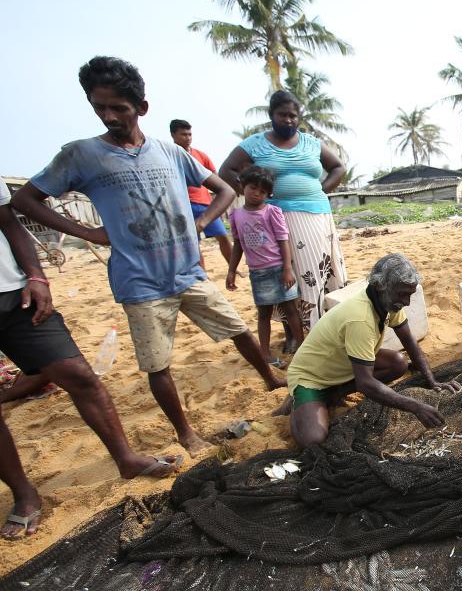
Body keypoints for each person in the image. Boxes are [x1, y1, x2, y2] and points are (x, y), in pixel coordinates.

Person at [11, 56, 285, 456]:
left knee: (238, 329)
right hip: (139, 282)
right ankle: (185, 432)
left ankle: (270, 379)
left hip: (187, 272)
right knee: (158, 364)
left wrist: (201, 221)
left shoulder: (169, 153)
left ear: (141, 107)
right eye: (99, 108)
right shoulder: (81, 155)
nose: (109, 116)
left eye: (118, 108)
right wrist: (87, 231)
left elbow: (225, 190)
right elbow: (25, 199)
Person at [0, 180, 182, 539]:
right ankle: (24, 494)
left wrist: (36, 275)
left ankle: (126, 459)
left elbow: (8, 222)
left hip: (13, 292)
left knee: (77, 374)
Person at [277, 254, 462, 447]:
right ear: (381, 286)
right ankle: (299, 398)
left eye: (410, 294)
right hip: (311, 377)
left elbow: (410, 343)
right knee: (313, 439)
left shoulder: (388, 302)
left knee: (398, 363)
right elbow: (366, 384)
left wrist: (432, 380)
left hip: (342, 365)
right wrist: (416, 407)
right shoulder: (361, 318)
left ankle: (334, 393)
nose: (406, 302)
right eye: (402, 294)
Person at [220, 91, 347, 338]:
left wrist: (321, 189)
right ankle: (294, 331)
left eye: (293, 115)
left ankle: (320, 327)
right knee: (286, 274)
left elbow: (338, 167)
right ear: (271, 116)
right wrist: (255, 200)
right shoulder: (255, 144)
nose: (288, 120)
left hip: (316, 216)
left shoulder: (311, 142)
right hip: (276, 218)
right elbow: (227, 170)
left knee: (316, 273)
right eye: (282, 115)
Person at [226, 165, 304, 366]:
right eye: (253, 188)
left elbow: (283, 240)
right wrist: (231, 270)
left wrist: (287, 268)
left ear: (268, 194)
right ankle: (265, 353)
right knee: (263, 313)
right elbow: (237, 244)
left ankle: (303, 348)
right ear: (243, 186)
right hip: (257, 272)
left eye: (262, 191)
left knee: (291, 309)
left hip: (279, 268)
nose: (256, 194)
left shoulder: (272, 212)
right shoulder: (235, 215)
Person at [169, 119, 233, 269]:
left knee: (222, 235)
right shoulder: (168, 156)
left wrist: (218, 198)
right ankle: (203, 274)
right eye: (183, 134)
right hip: (183, 205)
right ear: (173, 135)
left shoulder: (200, 155)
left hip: (206, 204)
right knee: (193, 242)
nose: (188, 138)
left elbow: (216, 178)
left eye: (190, 134)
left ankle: (233, 268)